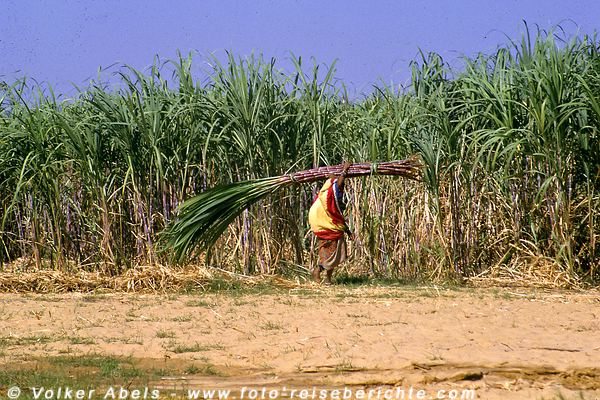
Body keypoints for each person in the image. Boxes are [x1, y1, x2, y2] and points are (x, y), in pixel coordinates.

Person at [308, 161, 354, 284]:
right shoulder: (328, 195)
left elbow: (337, 216)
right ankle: (317, 270)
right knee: (329, 255)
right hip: (328, 229)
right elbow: (339, 184)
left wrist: (348, 231)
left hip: (330, 228)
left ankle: (328, 279)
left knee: (333, 255)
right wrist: (345, 170)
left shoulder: (326, 195)